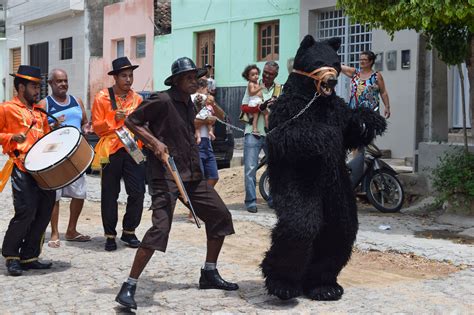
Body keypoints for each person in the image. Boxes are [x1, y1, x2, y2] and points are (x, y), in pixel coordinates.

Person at [115, 57, 238, 310]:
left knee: (221, 216)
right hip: (165, 175)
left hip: (192, 174)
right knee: (160, 229)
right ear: (178, 80)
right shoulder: (162, 100)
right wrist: (155, 143)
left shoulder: (189, 103)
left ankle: (209, 273)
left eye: (196, 77)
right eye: (190, 78)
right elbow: (131, 122)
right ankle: (129, 285)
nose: (195, 81)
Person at [0, 65, 55, 276]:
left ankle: (30, 255)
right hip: (21, 166)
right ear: (21, 87)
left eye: (38, 86)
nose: (37, 91)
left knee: (44, 211)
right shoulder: (6, 108)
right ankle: (12, 256)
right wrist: (10, 137)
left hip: (43, 170)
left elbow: (47, 140)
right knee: (26, 211)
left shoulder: (39, 113)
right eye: (34, 86)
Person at [91, 57, 145, 251]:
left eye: (130, 75)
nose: (128, 79)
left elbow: (142, 124)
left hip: (133, 148)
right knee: (109, 194)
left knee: (138, 191)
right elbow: (96, 127)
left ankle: (129, 231)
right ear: (115, 77)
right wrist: (114, 117)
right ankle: (110, 235)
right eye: (124, 75)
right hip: (110, 149)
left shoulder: (137, 99)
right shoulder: (102, 97)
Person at [39, 69, 91, 248]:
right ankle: (54, 233)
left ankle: (71, 230)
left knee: (79, 194)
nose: (63, 84)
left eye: (65, 80)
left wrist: (86, 128)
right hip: (54, 158)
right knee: (55, 196)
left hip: (76, 156)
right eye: (59, 81)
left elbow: (84, 121)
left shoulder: (77, 101)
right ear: (51, 84)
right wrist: (53, 125)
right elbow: (37, 130)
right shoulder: (44, 104)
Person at [341, 51, 391, 185]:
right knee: (356, 144)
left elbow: (383, 92)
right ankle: (356, 175)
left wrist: (387, 106)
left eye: (364, 60)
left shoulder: (376, 76)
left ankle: (365, 173)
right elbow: (339, 67)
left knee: (367, 142)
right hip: (355, 114)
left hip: (370, 115)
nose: (361, 61)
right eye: (360, 59)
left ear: (370, 61)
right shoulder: (354, 73)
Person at [241, 61, 282, 213]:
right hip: (252, 131)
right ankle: (251, 201)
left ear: (275, 75)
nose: (265, 76)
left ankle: (272, 199)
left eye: (270, 74)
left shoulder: (279, 89)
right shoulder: (253, 84)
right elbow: (244, 107)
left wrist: (274, 106)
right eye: (264, 72)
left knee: (275, 168)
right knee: (250, 169)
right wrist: (260, 107)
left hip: (272, 134)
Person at [241, 64, 266, 135]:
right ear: (248, 77)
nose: (255, 76)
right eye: (253, 75)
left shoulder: (256, 83)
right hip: (253, 103)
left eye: (257, 74)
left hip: (256, 101)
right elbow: (251, 93)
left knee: (259, 115)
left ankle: (263, 126)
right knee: (256, 115)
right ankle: (254, 129)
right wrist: (260, 88)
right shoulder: (251, 84)